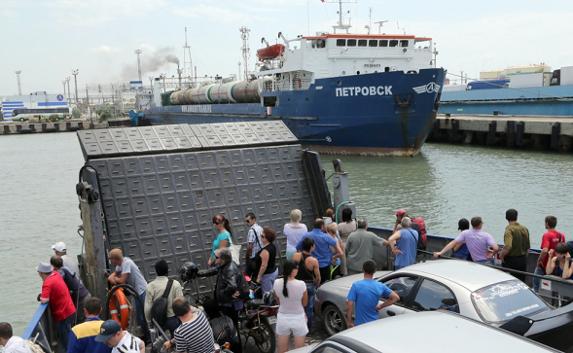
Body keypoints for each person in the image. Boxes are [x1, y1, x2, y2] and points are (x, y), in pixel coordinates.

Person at [202, 248, 245, 353]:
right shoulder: (224, 266)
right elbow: (212, 270)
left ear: (223, 259)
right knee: (209, 305)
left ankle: (236, 349)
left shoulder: (229, 269)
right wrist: (198, 273)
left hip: (229, 304)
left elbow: (232, 286)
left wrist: (222, 293)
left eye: (216, 257)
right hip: (225, 302)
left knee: (232, 328)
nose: (214, 258)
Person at [346, 260, 399, 327]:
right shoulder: (380, 286)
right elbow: (396, 298)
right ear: (375, 271)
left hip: (360, 325)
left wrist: (349, 322)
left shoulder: (356, 285)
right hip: (374, 324)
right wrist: (381, 306)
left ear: (363, 270)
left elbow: (349, 304)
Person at [107, 249, 148, 336]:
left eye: (111, 259)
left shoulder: (127, 263)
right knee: (139, 316)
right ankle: (145, 334)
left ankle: (148, 336)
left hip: (141, 290)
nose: (111, 262)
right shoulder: (119, 266)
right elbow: (113, 276)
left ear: (115, 259)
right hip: (135, 292)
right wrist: (112, 276)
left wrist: (114, 278)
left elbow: (121, 280)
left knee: (142, 315)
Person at [37, 262, 76, 350]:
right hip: (70, 309)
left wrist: (40, 297)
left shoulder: (47, 283)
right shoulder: (56, 274)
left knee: (65, 339)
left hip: (63, 314)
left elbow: (44, 300)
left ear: (41, 273)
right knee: (69, 334)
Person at [273, 261, 308, 353]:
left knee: (282, 349)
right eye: (296, 269)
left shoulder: (276, 283)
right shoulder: (301, 284)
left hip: (282, 318)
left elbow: (278, 299)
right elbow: (305, 303)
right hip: (298, 317)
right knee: (300, 350)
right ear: (292, 271)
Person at [433, 217, 498, 264]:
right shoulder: (486, 235)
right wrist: (492, 254)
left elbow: (453, 244)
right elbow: (496, 248)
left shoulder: (465, 234)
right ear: (480, 224)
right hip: (487, 261)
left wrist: (441, 252)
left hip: (475, 263)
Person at [144, 259, 184, 335]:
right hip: (173, 320)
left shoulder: (150, 286)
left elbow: (147, 308)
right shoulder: (175, 284)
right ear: (167, 270)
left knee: (162, 345)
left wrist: (149, 322)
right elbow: (181, 304)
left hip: (159, 322)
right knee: (178, 343)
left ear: (156, 271)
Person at [296, 218, 338, 284]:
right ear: (322, 226)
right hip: (325, 265)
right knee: (326, 284)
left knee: (315, 284)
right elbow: (337, 246)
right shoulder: (325, 236)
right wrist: (333, 257)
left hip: (311, 265)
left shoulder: (306, 235)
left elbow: (298, 247)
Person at [51, 256, 90, 323]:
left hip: (81, 298)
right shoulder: (66, 268)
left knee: (79, 320)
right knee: (84, 318)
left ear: (53, 265)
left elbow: (58, 281)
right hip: (85, 294)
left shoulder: (62, 272)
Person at [292, 237, 321, 329]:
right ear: (311, 247)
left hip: (297, 284)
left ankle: (298, 325)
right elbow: (318, 277)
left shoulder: (296, 256)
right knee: (309, 307)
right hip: (308, 285)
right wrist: (316, 285)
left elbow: (293, 269)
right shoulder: (313, 261)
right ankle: (308, 327)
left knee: (298, 306)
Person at [534, 216, 566, 291]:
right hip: (556, 265)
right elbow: (564, 249)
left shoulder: (547, 235)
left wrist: (539, 260)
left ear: (547, 224)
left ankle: (536, 294)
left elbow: (545, 250)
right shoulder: (562, 235)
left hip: (545, 265)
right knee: (552, 287)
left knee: (536, 284)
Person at [499, 209, 530, 281]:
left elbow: (508, 246)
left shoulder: (509, 230)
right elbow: (527, 248)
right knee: (521, 281)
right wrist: (524, 258)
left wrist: (501, 255)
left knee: (509, 281)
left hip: (511, 261)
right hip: (522, 259)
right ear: (517, 217)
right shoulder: (524, 228)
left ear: (506, 217)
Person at [254, 227, 279, 293]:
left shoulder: (265, 251)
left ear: (267, 239)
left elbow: (263, 266)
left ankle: (272, 303)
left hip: (267, 276)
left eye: (262, 236)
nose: (260, 237)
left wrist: (258, 277)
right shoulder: (272, 246)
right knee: (274, 292)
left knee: (268, 295)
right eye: (261, 235)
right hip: (273, 271)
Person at [245, 212, 264, 277]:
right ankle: (257, 285)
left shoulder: (251, 230)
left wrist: (248, 256)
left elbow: (250, 246)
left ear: (254, 219)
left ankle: (252, 286)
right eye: (246, 221)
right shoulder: (260, 228)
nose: (247, 223)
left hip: (253, 257)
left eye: (248, 221)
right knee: (257, 274)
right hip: (260, 255)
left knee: (247, 275)